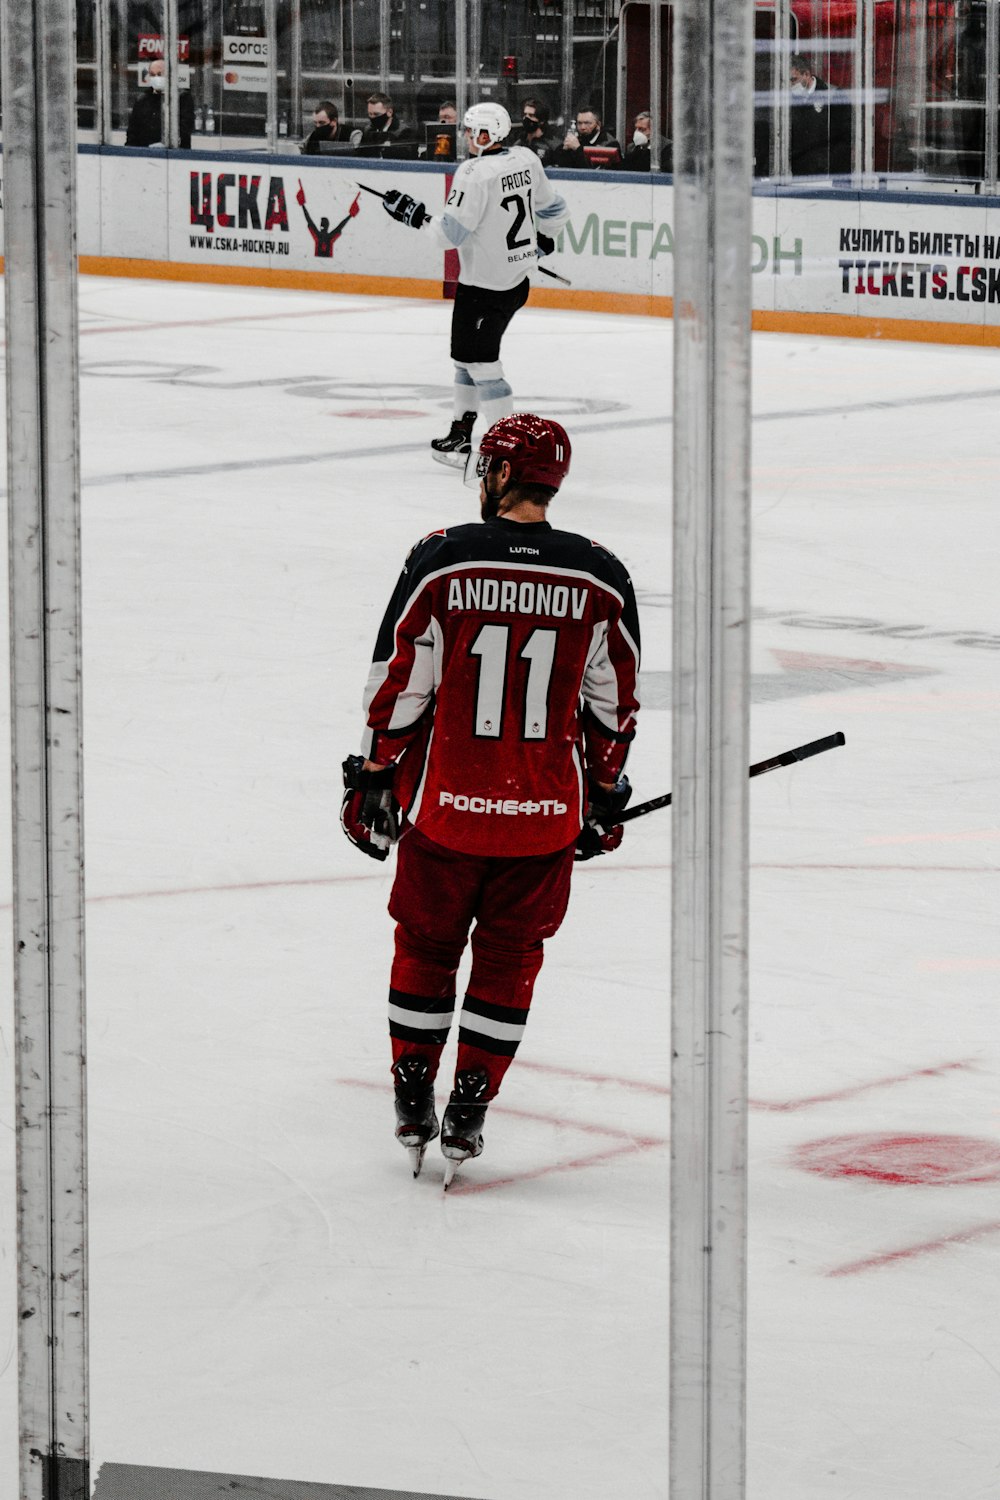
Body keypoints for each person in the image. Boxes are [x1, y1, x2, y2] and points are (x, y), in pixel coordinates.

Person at [340, 414, 641, 1185]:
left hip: (448, 808)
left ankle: (414, 1088)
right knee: (510, 957)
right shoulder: (602, 576)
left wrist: (376, 774)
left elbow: (402, 684)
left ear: (502, 476)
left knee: (427, 944)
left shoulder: (444, 560)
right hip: (543, 817)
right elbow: (615, 705)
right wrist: (602, 793)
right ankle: (470, 1105)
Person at [378, 101, 570, 470]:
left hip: (485, 287)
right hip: (513, 283)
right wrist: (545, 241)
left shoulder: (473, 172)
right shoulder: (527, 159)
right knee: (465, 360)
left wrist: (416, 217)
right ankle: (461, 433)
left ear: (486, 135)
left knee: (483, 366)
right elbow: (556, 211)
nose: (466, 137)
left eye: (470, 131)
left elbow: (447, 237)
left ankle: (506, 449)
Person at [789, 55, 851, 176]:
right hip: (797, 173)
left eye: (793, 80)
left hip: (827, 173)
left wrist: (825, 163)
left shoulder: (834, 96)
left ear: (806, 74)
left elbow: (845, 138)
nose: (790, 85)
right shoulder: (788, 100)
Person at [125, 57, 194, 149]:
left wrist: (168, 144)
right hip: (145, 153)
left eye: (160, 74)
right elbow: (133, 131)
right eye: (152, 75)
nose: (156, 78)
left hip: (177, 155)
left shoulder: (182, 98)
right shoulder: (142, 100)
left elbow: (185, 128)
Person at [550, 106, 622, 169]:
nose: (582, 127)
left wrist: (578, 149)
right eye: (579, 123)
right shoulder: (579, 139)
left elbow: (594, 172)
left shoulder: (609, 143)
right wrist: (564, 150)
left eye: (587, 123)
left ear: (598, 125)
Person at [354, 92, 418, 159]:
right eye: (370, 114)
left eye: (376, 114)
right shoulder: (368, 131)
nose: (372, 117)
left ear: (389, 112)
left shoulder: (405, 132)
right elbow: (360, 156)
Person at [508, 98, 559, 166]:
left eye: (531, 115)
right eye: (525, 115)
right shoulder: (519, 144)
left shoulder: (552, 146)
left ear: (541, 121)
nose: (526, 118)